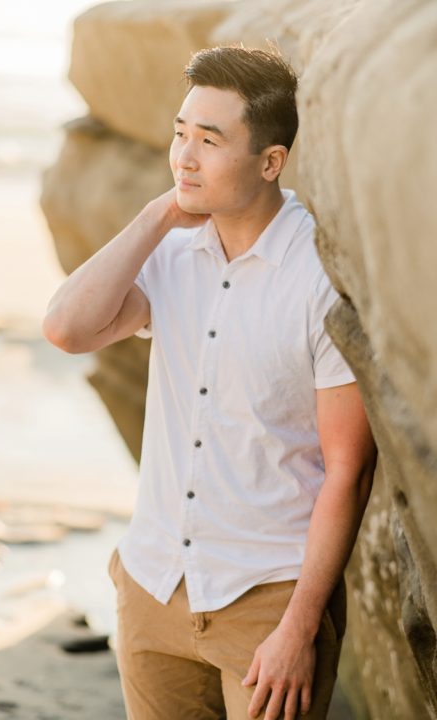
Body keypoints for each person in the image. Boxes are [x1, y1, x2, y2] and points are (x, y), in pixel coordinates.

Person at [44, 46, 377, 720]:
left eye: (210, 141)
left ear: (270, 162)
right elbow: (68, 329)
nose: (185, 157)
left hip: (266, 604)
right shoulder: (170, 253)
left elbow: (349, 470)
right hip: (153, 587)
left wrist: (298, 629)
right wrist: (158, 216)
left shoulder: (318, 280)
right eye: (179, 134)